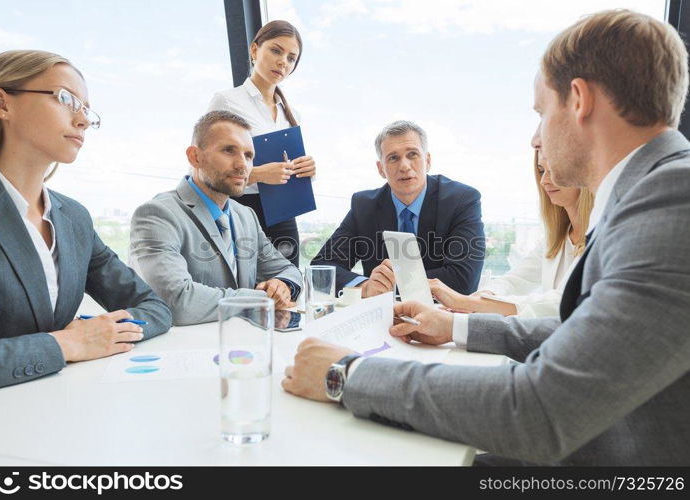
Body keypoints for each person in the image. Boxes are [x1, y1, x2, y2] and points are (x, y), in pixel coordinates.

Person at [282, 10, 690, 465]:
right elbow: (586, 335)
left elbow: (536, 411)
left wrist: (347, 374)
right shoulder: (653, 193)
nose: (538, 136)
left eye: (541, 113)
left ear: (578, 100)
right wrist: (455, 325)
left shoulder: (673, 205)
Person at [0, 50, 172, 390]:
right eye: (65, 99)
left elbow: (153, 307)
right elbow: (67, 343)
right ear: (2, 103)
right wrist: (68, 344)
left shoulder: (73, 218)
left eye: (86, 110)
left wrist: (102, 332)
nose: (83, 120)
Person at [129, 110, 303, 326]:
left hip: (242, 348)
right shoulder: (157, 214)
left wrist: (283, 285)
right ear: (195, 157)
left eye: (248, 156)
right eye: (229, 150)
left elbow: (288, 270)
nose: (242, 165)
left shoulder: (246, 216)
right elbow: (177, 300)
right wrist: (264, 299)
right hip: (184, 351)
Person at [311, 120, 485, 297]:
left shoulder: (461, 200)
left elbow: (464, 280)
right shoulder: (365, 206)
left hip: (441, 315)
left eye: (412, 154)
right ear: (381, 169)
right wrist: (365, 286)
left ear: (428, 161)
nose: (404, 166)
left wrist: (391, 283)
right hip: (383, 317)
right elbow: (321, 268)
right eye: (393, 158)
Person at [430, 151, 594, 318]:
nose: (544, 181)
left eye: (553, 170)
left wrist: (467, 303)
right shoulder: (555, 240)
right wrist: (475, 301)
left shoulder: (600, 237)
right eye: (541, 171)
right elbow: (515, 280)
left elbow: (562, 302)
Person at [207, 20, 315, 267]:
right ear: (255, 50)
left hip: (283, 212)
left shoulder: (293, 114)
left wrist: (307, 170)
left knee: (287, 285)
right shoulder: (226, 101)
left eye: (291, 58)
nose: (283, 62)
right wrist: (257, 174)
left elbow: (289, 169)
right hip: (240, 210)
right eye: (276, 51)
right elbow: (205, 171)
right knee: (245, 288)